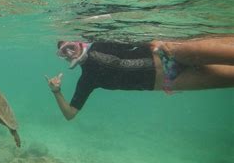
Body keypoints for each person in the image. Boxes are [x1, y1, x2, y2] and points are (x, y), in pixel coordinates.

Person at [45, 37, 234, 120]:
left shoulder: (101, 42)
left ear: (78, 42)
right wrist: (56, 92)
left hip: (166, 55)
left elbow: (133, 38)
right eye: (64, 53)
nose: (69, 53)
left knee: (198, 50)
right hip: (168, 81)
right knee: (228, 77)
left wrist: (154, 41)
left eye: (69, 46)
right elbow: (70, 114)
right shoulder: (87, 79)